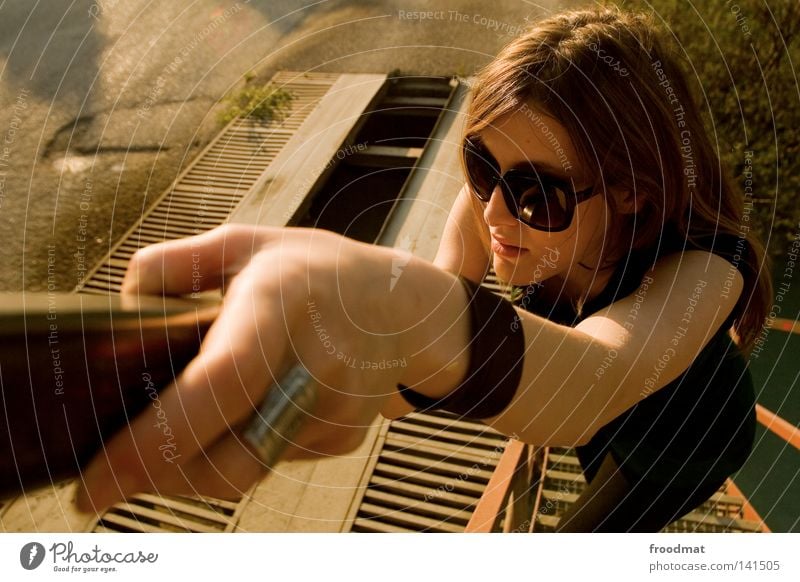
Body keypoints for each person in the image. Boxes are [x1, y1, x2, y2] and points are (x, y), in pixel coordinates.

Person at [75, 6, 771, 532]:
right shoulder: (495, 206)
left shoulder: (711, 264)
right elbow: (423, 339)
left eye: (539, 194)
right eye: (478, 165)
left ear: (629, 191)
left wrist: (398, 309)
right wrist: (300, 383)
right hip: (598, 436)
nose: (495, 212)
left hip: (689, 442)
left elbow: (594, 383)